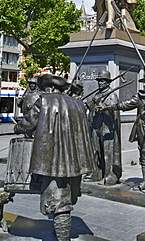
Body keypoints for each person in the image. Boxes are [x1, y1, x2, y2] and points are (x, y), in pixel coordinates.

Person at [14, 74, 96, 241]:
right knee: (67, 199)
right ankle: (61, 232)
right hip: (77, 161)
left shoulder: (44, 101)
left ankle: (62, 238)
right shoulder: (79, 104)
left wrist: (18, 128)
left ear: (49, 88)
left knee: (59, 203)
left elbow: (28, 123)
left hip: (53, 161)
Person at [103, 69, 145, 193]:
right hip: (142, 128)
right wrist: (111, 107)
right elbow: (127, 104)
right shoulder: (140, 96)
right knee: (144, 155)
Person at [85, 70, 122, 185]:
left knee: (108, 153)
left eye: (103, 81)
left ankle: (110, 174)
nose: (100, 83)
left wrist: (102, 107)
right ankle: (96, 173)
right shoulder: (97, 95)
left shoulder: (112, 95)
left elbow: (113, 116)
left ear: (108, 82)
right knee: (95, 151)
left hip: (107, 128)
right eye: (99, 81)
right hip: (96, 127)